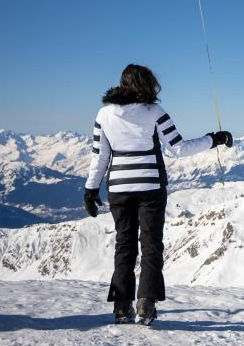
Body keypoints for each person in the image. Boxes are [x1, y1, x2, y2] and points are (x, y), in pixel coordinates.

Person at [83, 64, 233, 325]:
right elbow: (179, 149)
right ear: (148, 84)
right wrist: (214, 138)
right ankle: (146, 306)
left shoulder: (104, 114)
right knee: (151, 245)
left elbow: (100, 156)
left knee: (124, 245)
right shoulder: (154, 111)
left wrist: (91, 188)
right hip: (151, 188)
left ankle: (121, 307)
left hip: (118, 189)